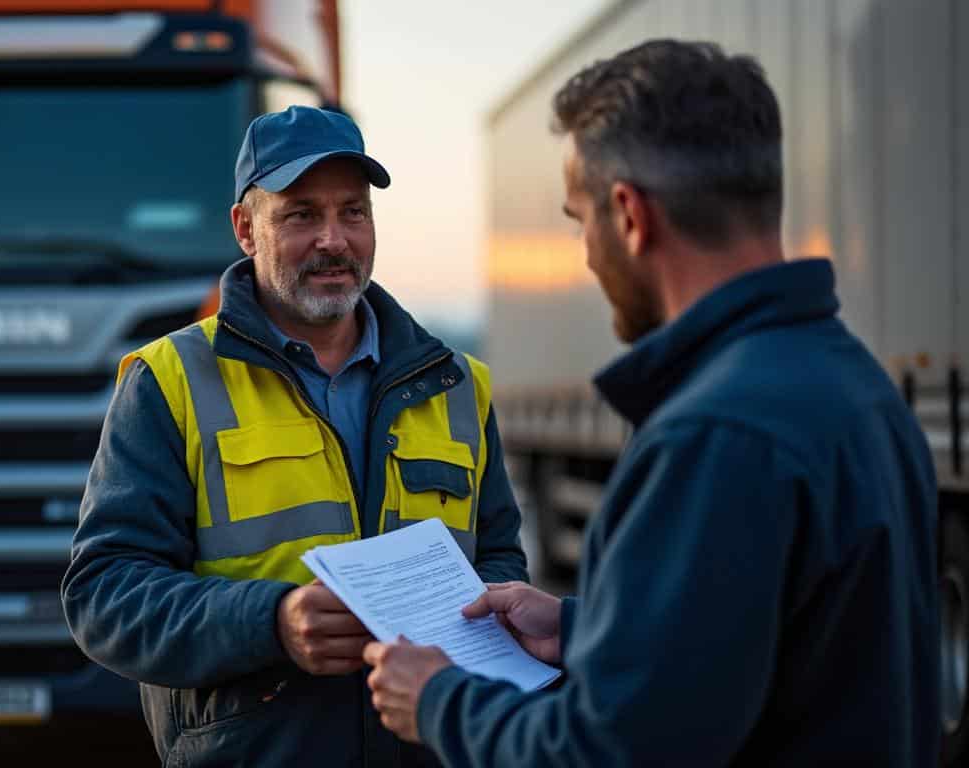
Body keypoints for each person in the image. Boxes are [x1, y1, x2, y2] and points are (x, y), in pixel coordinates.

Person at [363, 39, 938, 766]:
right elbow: (759, 650)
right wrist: (583, 628)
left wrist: (441, 701)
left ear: (630, 216)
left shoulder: (715, 435)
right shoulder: (856, 384)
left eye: (581, 221)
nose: (587, 253)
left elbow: (608, 753)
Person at [61, 105, 531, 768]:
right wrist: (271, 622)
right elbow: (104, 596)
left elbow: (500, 562)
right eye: (302, 214)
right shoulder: (167, 381)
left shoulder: (458, 385)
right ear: (245, 230)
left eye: (353, 211)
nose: (334, 239)